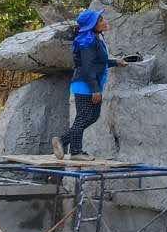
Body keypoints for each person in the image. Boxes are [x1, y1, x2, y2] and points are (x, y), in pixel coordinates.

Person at [52, 9, 127, 159]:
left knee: (92, 116)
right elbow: (87, 67)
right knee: (84, 116)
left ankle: (63, 141)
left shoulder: (94, 38)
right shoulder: (87, 42)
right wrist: (95, 89)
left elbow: (98, 62)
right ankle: (75, 151)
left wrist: (115, 62)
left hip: (90, 83)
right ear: (92, 25)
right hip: (86, 84)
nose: (104, 21)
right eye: (100, 20)